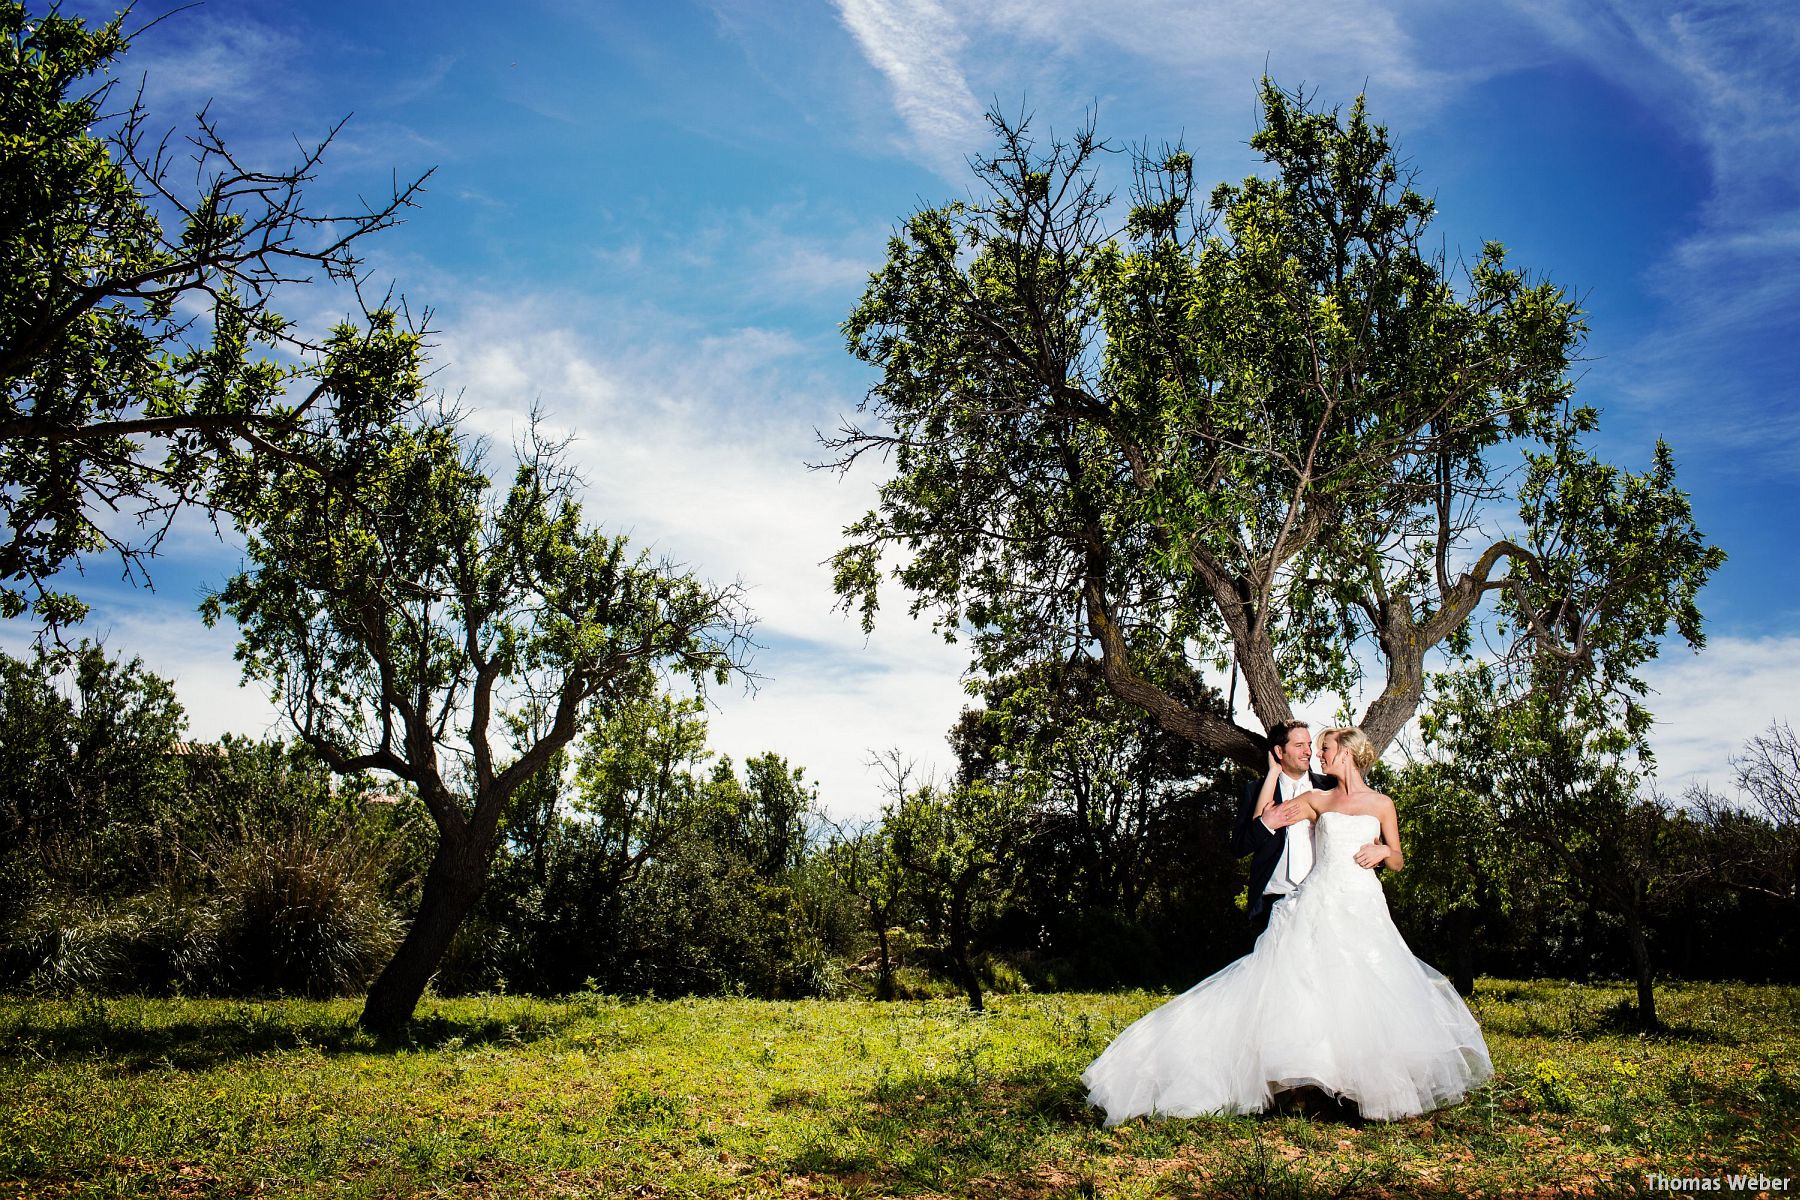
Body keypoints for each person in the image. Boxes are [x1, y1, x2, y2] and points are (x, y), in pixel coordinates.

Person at [1081, 726, 1491, 1124]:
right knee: (1311, 987)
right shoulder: (1318, 799)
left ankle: (1370, 1088)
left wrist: (1382, 850)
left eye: (1325, 748)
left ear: (1345, 753)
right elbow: (1266, 818)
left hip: (1363, 904)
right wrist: (1273, 773)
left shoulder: (1382, 804)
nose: (1319, 754)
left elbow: (1399, 860)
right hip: (1320, 899)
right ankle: (1314, 1086)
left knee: (1367, 987)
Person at [1231, 721, 1336, 936]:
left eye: (1308, 744)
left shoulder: (1330, 787)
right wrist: (1265, 824)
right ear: (1279, 751)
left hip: (1323, 901)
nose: (1308, 751)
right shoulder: (1255, 791)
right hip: (1272, 902)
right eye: (1299, 745)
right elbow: (1238, 847)